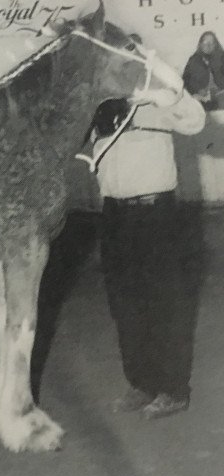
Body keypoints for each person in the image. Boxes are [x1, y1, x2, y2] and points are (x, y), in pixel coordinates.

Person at [88, 76, 206, 419]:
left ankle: (174, 390)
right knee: (124, 305)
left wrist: (166, 95)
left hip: (156, 216)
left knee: (166, 303)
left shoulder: (157, 103)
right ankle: (142, 383)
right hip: (114, 218)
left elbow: (196, 119)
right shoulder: (101, 112)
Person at [183, 31, 224, 111]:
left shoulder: (222, 58)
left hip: (220, 94)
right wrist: (197, 90)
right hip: (201, 97)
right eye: (205, 42)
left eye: (211, 43)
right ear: (200, 44)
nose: (208, 46)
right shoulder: (193, 60)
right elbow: (186, 80)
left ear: (215, 44)